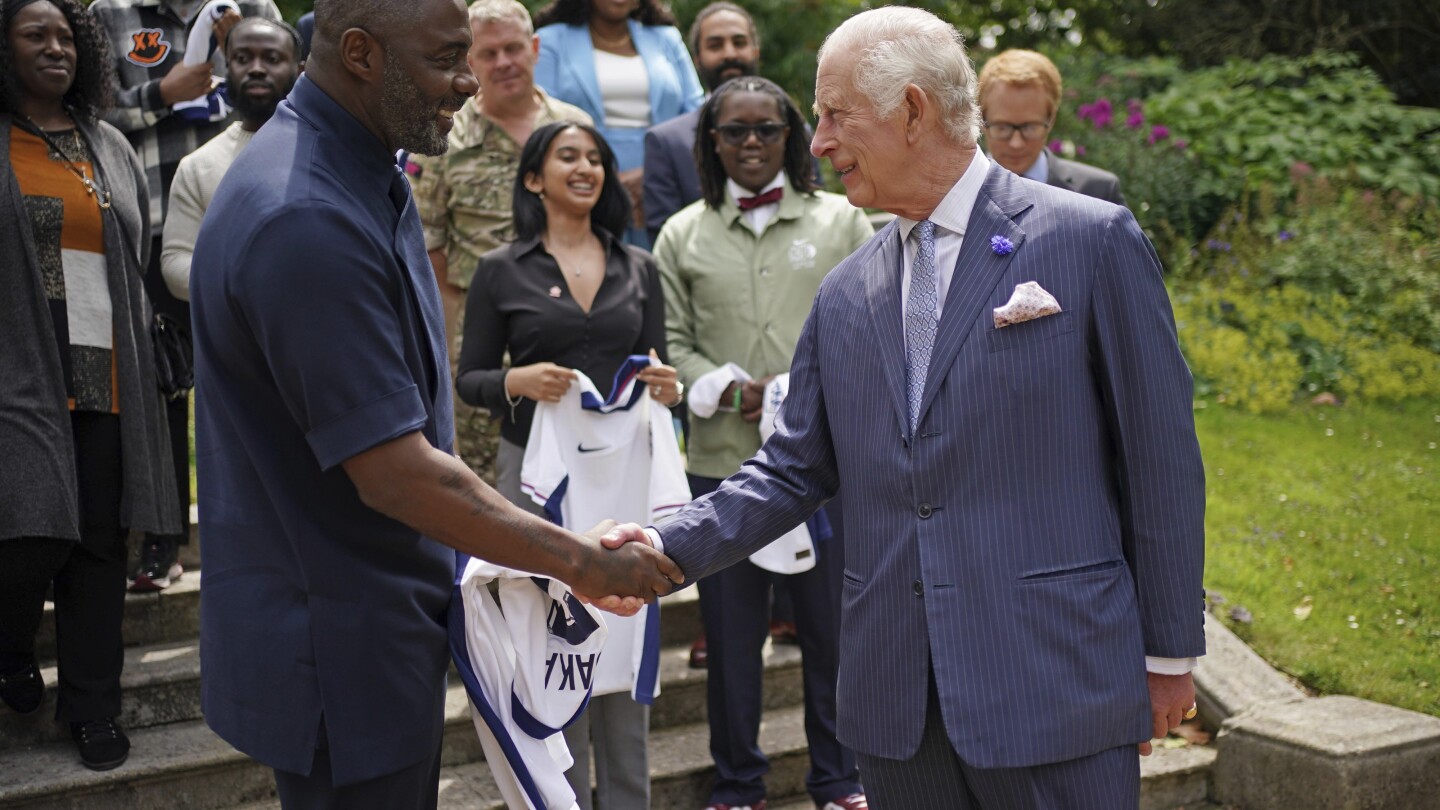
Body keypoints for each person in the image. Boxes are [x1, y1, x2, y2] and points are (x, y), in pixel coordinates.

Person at [607, 7, 1206, 809]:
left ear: (914, 111)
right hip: (896, 706)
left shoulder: (1089, 241)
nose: (815, 141)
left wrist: (1169, 651)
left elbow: (1160, 459)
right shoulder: (847, 291)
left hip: (1055, 684)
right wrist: (661, 543)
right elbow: (790, 469)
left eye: (832, 114)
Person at [188, 1, 681, 806]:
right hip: (337, 648)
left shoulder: (358, 169)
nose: (469, 80)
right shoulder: (305, 215)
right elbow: (397, 474)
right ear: (360, 53)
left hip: (376, 626)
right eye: (449, 58)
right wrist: (579, 560)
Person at [652, 76, 872, 810]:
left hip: (826, 468)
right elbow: (670, 344)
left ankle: (839, 779)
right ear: (711, 143)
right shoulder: (682, 233)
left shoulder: (843, 222)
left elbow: (876, 328)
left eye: (767, 129)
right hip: (721, 465)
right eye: (735, 131)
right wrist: (725, 387)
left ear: (791, 136)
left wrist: (799, 392)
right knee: (732, 641)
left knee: (830, 635)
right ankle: (738, 781)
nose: (751, 143)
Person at [456, 120, 681, 810]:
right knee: (553, 649)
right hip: (535, 483)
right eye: (568, 157)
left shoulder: (638, 267)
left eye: (596, 159)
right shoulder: (501, 269)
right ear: (533, 178)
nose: (586, 168)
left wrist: (669, 390)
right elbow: (468, 380)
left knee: (625, 631)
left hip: (621, 484)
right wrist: (514, 383)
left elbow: (658, 369)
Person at [0, 0, 179, 771]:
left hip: (103, 370)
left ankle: (92, 706)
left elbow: (132, 260)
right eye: (34, 34)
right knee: (30, 534)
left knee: (101, 546)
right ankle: (10, 653)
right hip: (16, 371)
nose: (55, 48)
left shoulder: (107, 142)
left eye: (67, 36)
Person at [89, 0, 280, 593]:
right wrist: (160, 95)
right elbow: (86, 118)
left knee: (267, 379)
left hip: (255, 224)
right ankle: (161, 541)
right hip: (149, 226)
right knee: (164, 386)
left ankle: (275, 519)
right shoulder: (109, 13)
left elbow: (287, 96)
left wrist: (237, 49)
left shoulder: (251, 6)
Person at [409, 0, 591, 469]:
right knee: (485, 485)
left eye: (513, 48)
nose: (504, 62)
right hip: (480, 348)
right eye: (488, 54)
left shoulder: (574, 129)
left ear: (534, 48)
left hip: (569, 337)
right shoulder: (440, 138)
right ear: (469, 60)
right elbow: (429, 252)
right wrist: (444, 356)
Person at [532, 0, 703, 247]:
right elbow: (541, 117)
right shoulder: (550, 40)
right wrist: (604, 178)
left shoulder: (667, 38)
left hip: (663, 183)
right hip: (582, 180)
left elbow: (695, 116)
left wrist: (654, 174)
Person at [161, 16, 301, 301]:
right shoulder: (198, 166)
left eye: (272, 58)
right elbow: (175, 262)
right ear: (227, 68)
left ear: (299, 71)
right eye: (242, 58)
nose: (257, 69)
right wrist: (247, 284)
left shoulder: (332, 152)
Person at [641, 1, 756, 245]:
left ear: (755, 50)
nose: (729, 53)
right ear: (697, 59)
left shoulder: (798, 132)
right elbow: (664, 244)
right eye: (715, 45)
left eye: (739, 42)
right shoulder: (666, 143)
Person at [977, 48, 1125, 206]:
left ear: (1051, 118)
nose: (1016, 143)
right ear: (980, 117)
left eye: (1030, 128)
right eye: (1002, 128)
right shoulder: (955, 189)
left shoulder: (1099, 192)